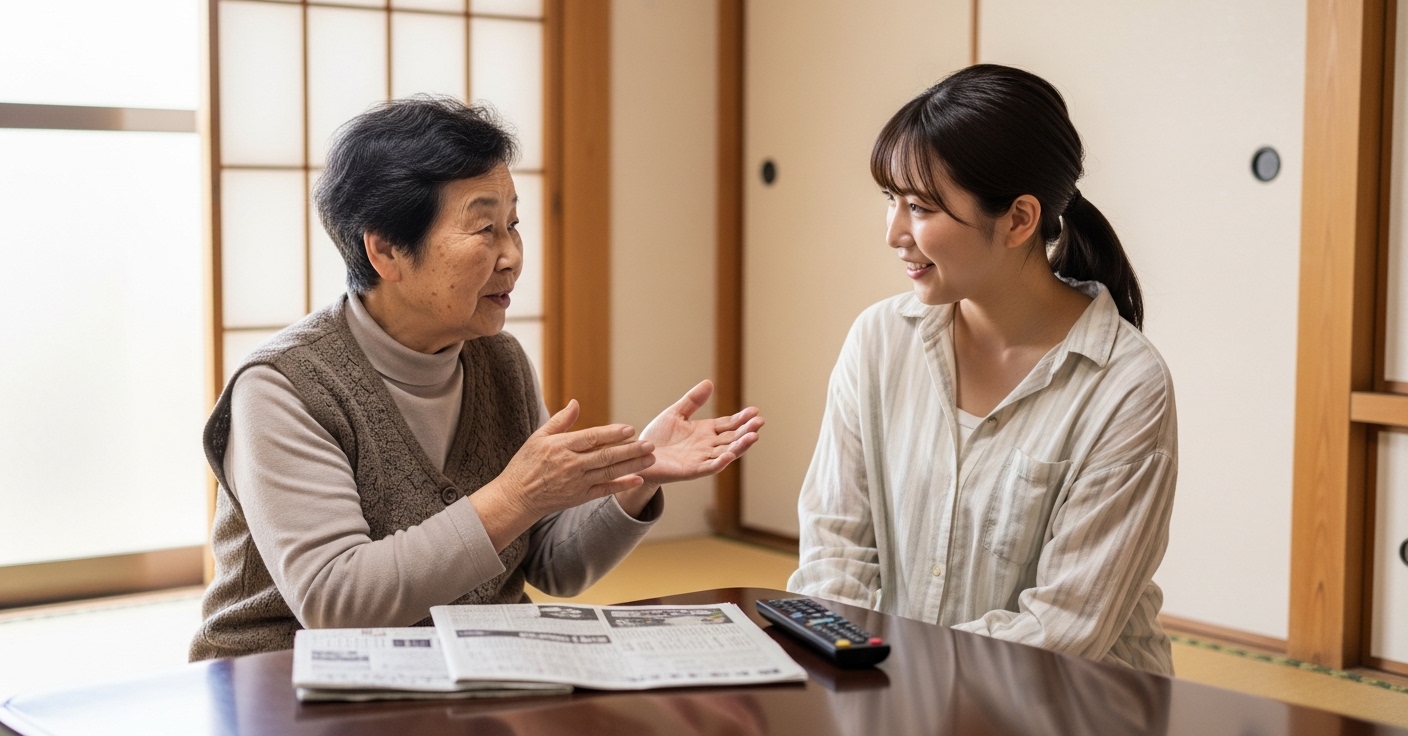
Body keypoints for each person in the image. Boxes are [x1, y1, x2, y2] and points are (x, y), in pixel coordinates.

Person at [192, 98, 764, 660]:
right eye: (484, 228)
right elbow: (338, 602)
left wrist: (636, 476)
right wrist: (515, 495)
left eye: (514, 224)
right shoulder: (284, 387)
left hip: (461, 678)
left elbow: (554, 565)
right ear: (386, 249)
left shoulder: (500, 362)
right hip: (283, 688)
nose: (512, 255)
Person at [787, 64, 1177, 674]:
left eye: (920, 208)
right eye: (891, 200)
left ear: (1019, 220)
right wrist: (847, 660)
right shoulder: (879, 340)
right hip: (907, 692)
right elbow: (835, 548)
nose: (893, 233)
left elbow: (1066, 626)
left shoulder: (1124, 383)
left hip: (1076, 705)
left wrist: (900, 671)